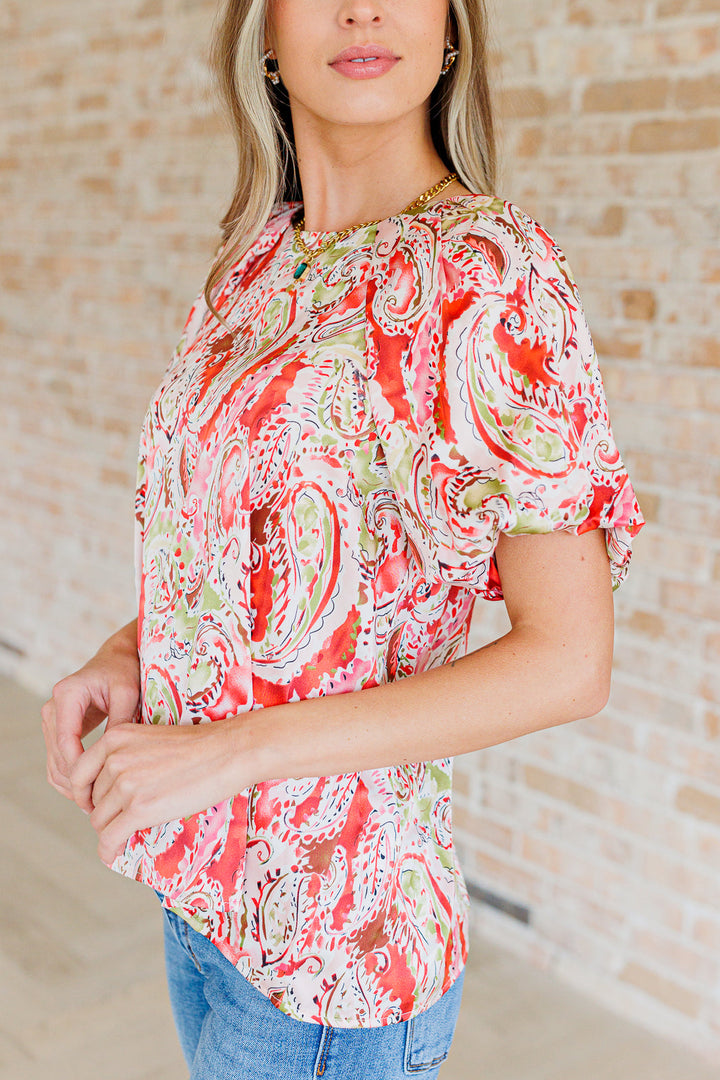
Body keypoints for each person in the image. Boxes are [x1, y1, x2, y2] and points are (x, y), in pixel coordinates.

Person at [41, 1, 645, 1077]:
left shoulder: (491, 277)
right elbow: (241, 553)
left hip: (338, 954)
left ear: (453, 27)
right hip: (207, 901)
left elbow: (571, 661)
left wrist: (232, 751)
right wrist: (127, 656)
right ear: (264, 31)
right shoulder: (253, 266)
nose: (363, 6)